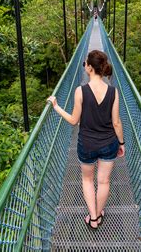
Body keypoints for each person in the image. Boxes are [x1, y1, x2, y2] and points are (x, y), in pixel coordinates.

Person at [47, 50, 125, 230]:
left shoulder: (80, 91)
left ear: (89, 68)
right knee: (104, 181)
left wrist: (56, 107)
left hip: (87, 144)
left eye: (85, 64)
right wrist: (121, 143)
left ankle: (94, 218)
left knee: (88, 180)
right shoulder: (114, 92)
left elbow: (74, 120)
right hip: (108, 143)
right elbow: (116, 123)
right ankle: (98, 212)